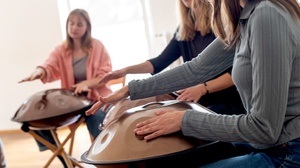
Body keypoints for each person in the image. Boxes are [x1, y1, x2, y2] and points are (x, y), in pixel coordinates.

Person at [87, 0, 300, 167]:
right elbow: (197, 68)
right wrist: (130, 90)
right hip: (270, 145)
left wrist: (185, 121)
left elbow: (264, 128)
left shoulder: (267, 15)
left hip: (286, 153)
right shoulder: (249, 17)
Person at [98, 0, 245, 115]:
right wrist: (125, 71)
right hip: (194, 98)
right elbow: (160, 62)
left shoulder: (221, 27)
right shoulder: (185, 30)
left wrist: (203, 88)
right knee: (139, 107)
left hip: (224, 101)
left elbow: (235, 72)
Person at [19, 9, 112, 151]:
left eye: (79, 24)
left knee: (96, 116)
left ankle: (104, 153)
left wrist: (87, 83)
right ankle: (59, 154)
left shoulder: (97, 46)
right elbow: (49, 64)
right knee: (36, 115)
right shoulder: (61, 49)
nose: (74, 27)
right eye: (71, 23)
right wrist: (39, 71)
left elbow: (105, 75)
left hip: (97, 101)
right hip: (73, 103)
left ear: (87, 27)